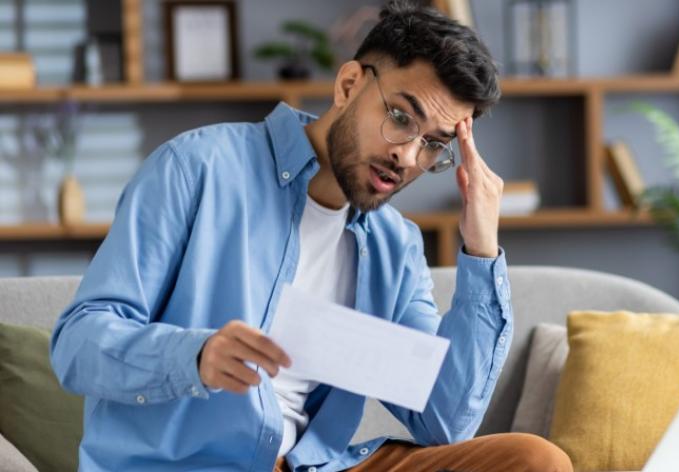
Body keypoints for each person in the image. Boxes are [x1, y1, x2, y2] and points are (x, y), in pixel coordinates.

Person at [50, 1, 573, 471]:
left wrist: (481, 249)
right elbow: (77, 344)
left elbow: (443, 420)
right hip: (195, 463)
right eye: (399, 118)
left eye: (434, 145)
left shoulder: (395, 245)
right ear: (348, 86)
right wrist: (194, 355)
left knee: (534, 459)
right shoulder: (197, 169)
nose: (408, 157)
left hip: (315, 466)